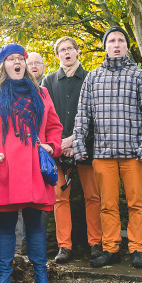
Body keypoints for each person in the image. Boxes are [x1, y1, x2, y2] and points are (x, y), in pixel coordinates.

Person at [0, 44, 62, 283]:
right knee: (6, 224)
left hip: (34, 168)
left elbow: (54, 126)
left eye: (20, 58)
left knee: (35, 224)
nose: (17, 62)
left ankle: (41, 275)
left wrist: (52, 146)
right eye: (11, 59)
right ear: (3, 65)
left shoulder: (41, 93)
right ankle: (4, 277)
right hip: (5, 167)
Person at [72, 26, 142, 270]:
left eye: (120, 40)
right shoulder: (93, 77)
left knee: (136, 203)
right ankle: (110, 249)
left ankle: (138, 249)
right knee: (107, 205)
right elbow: (82, 115)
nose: (116, 44)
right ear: (105, 46)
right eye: (111, 41)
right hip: (103, 153)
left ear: (127, 46)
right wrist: (79, 146)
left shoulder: (139, 75)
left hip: (133, 155)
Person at [41, 36, 102, 263]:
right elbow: (46, 117)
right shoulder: (48, 82)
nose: (66, 53)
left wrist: (75, 142)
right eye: (62, 50)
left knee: (93, 196)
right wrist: (61, 144)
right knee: (60, 197)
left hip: (86, 146)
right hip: (58, 149)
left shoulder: (91, 78)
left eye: (70, 49)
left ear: (77, 52)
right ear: (57, 55)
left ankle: (96, 243)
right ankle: (64, 246)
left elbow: (96, 116)